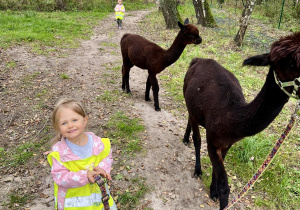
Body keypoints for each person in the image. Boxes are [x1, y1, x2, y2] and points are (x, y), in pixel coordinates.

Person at [47, 98, 117, 210]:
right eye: (64, 123)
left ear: (85, 120)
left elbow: (106, 157)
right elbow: (60, 177)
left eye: (74, 120)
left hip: (99, 201)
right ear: (58, 128)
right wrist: (85, 176)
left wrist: (102, 168)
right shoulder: (59, 153)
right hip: (74, 204)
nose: (70, 125)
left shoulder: (99, 144)